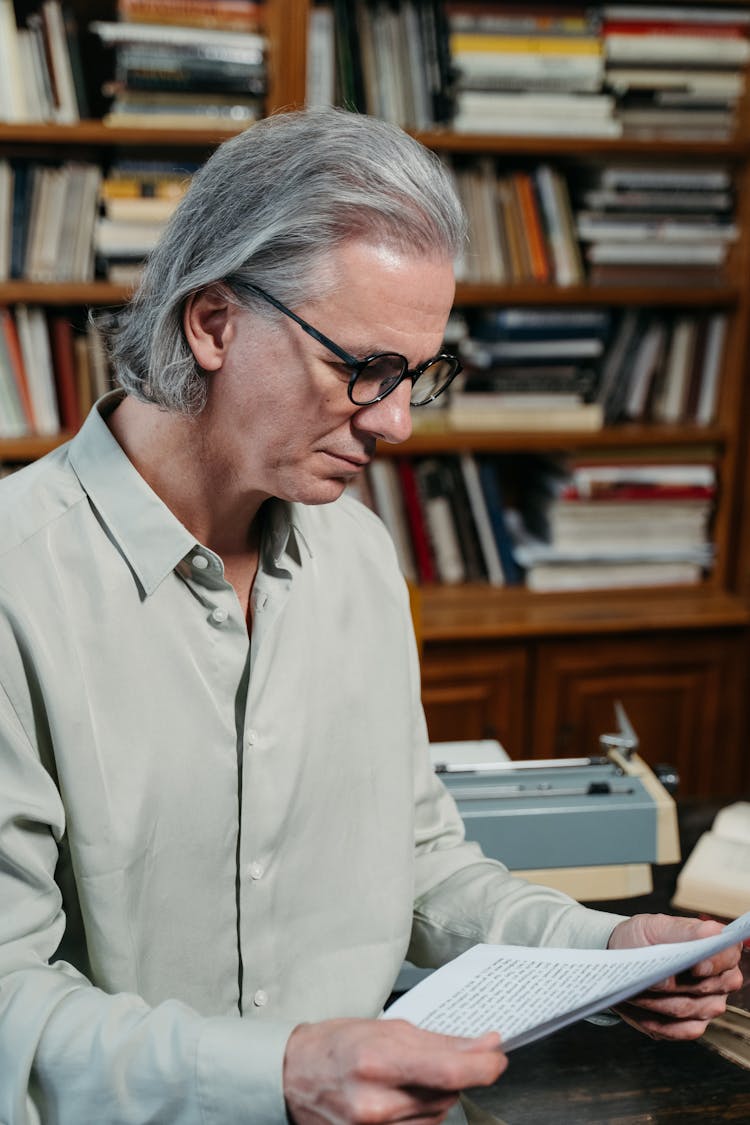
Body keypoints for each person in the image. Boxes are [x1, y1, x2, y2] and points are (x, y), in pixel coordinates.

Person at [0, 108, 742, 1125]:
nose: (395, 419)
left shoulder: (356, 552)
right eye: (363, 366)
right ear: (212, 321)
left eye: (416, 375)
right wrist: (284, 1075)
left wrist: (599, 952)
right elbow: (5, 1003)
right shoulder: (15, 583)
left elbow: (420, 859)